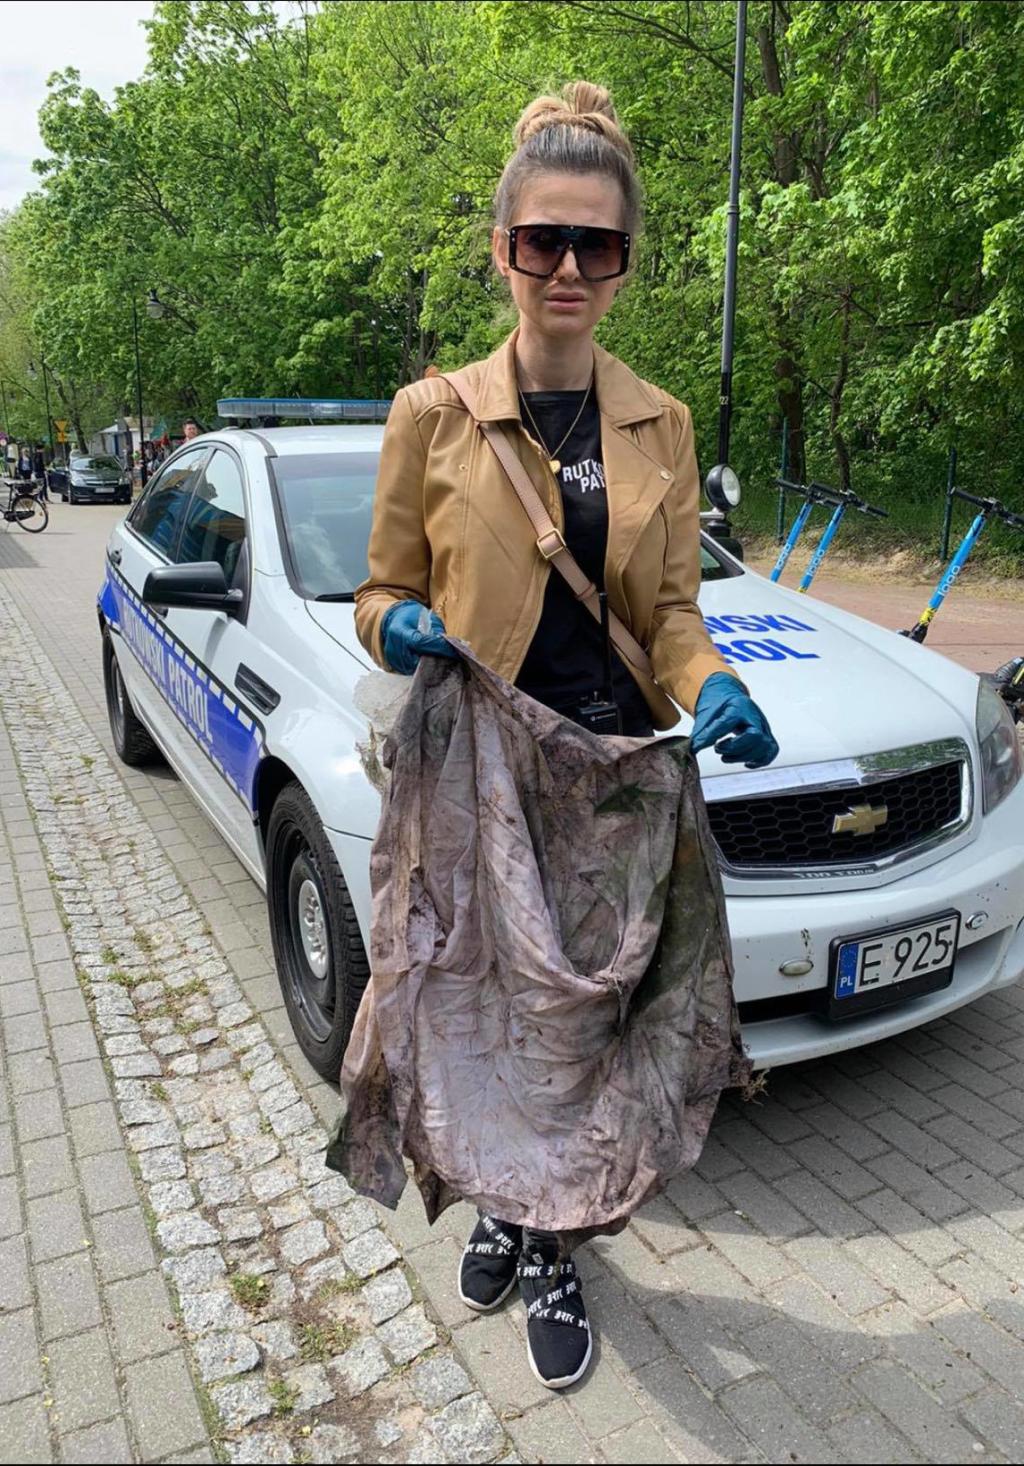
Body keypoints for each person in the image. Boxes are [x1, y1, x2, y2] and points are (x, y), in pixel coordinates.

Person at [354, 81, 778, 1391]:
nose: (571, 270)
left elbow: (673, 615)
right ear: (504, 249)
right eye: (546, 240)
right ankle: (507, 1212)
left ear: (626, 261)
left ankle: (550, 1241)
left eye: (600, 245)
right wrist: (399, 627)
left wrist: (712, 681)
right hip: (479, 777)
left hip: (611, 787)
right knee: (480, 1019)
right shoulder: (432, 415)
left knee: (582, 1040)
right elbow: (379, 591)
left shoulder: (662, 423)